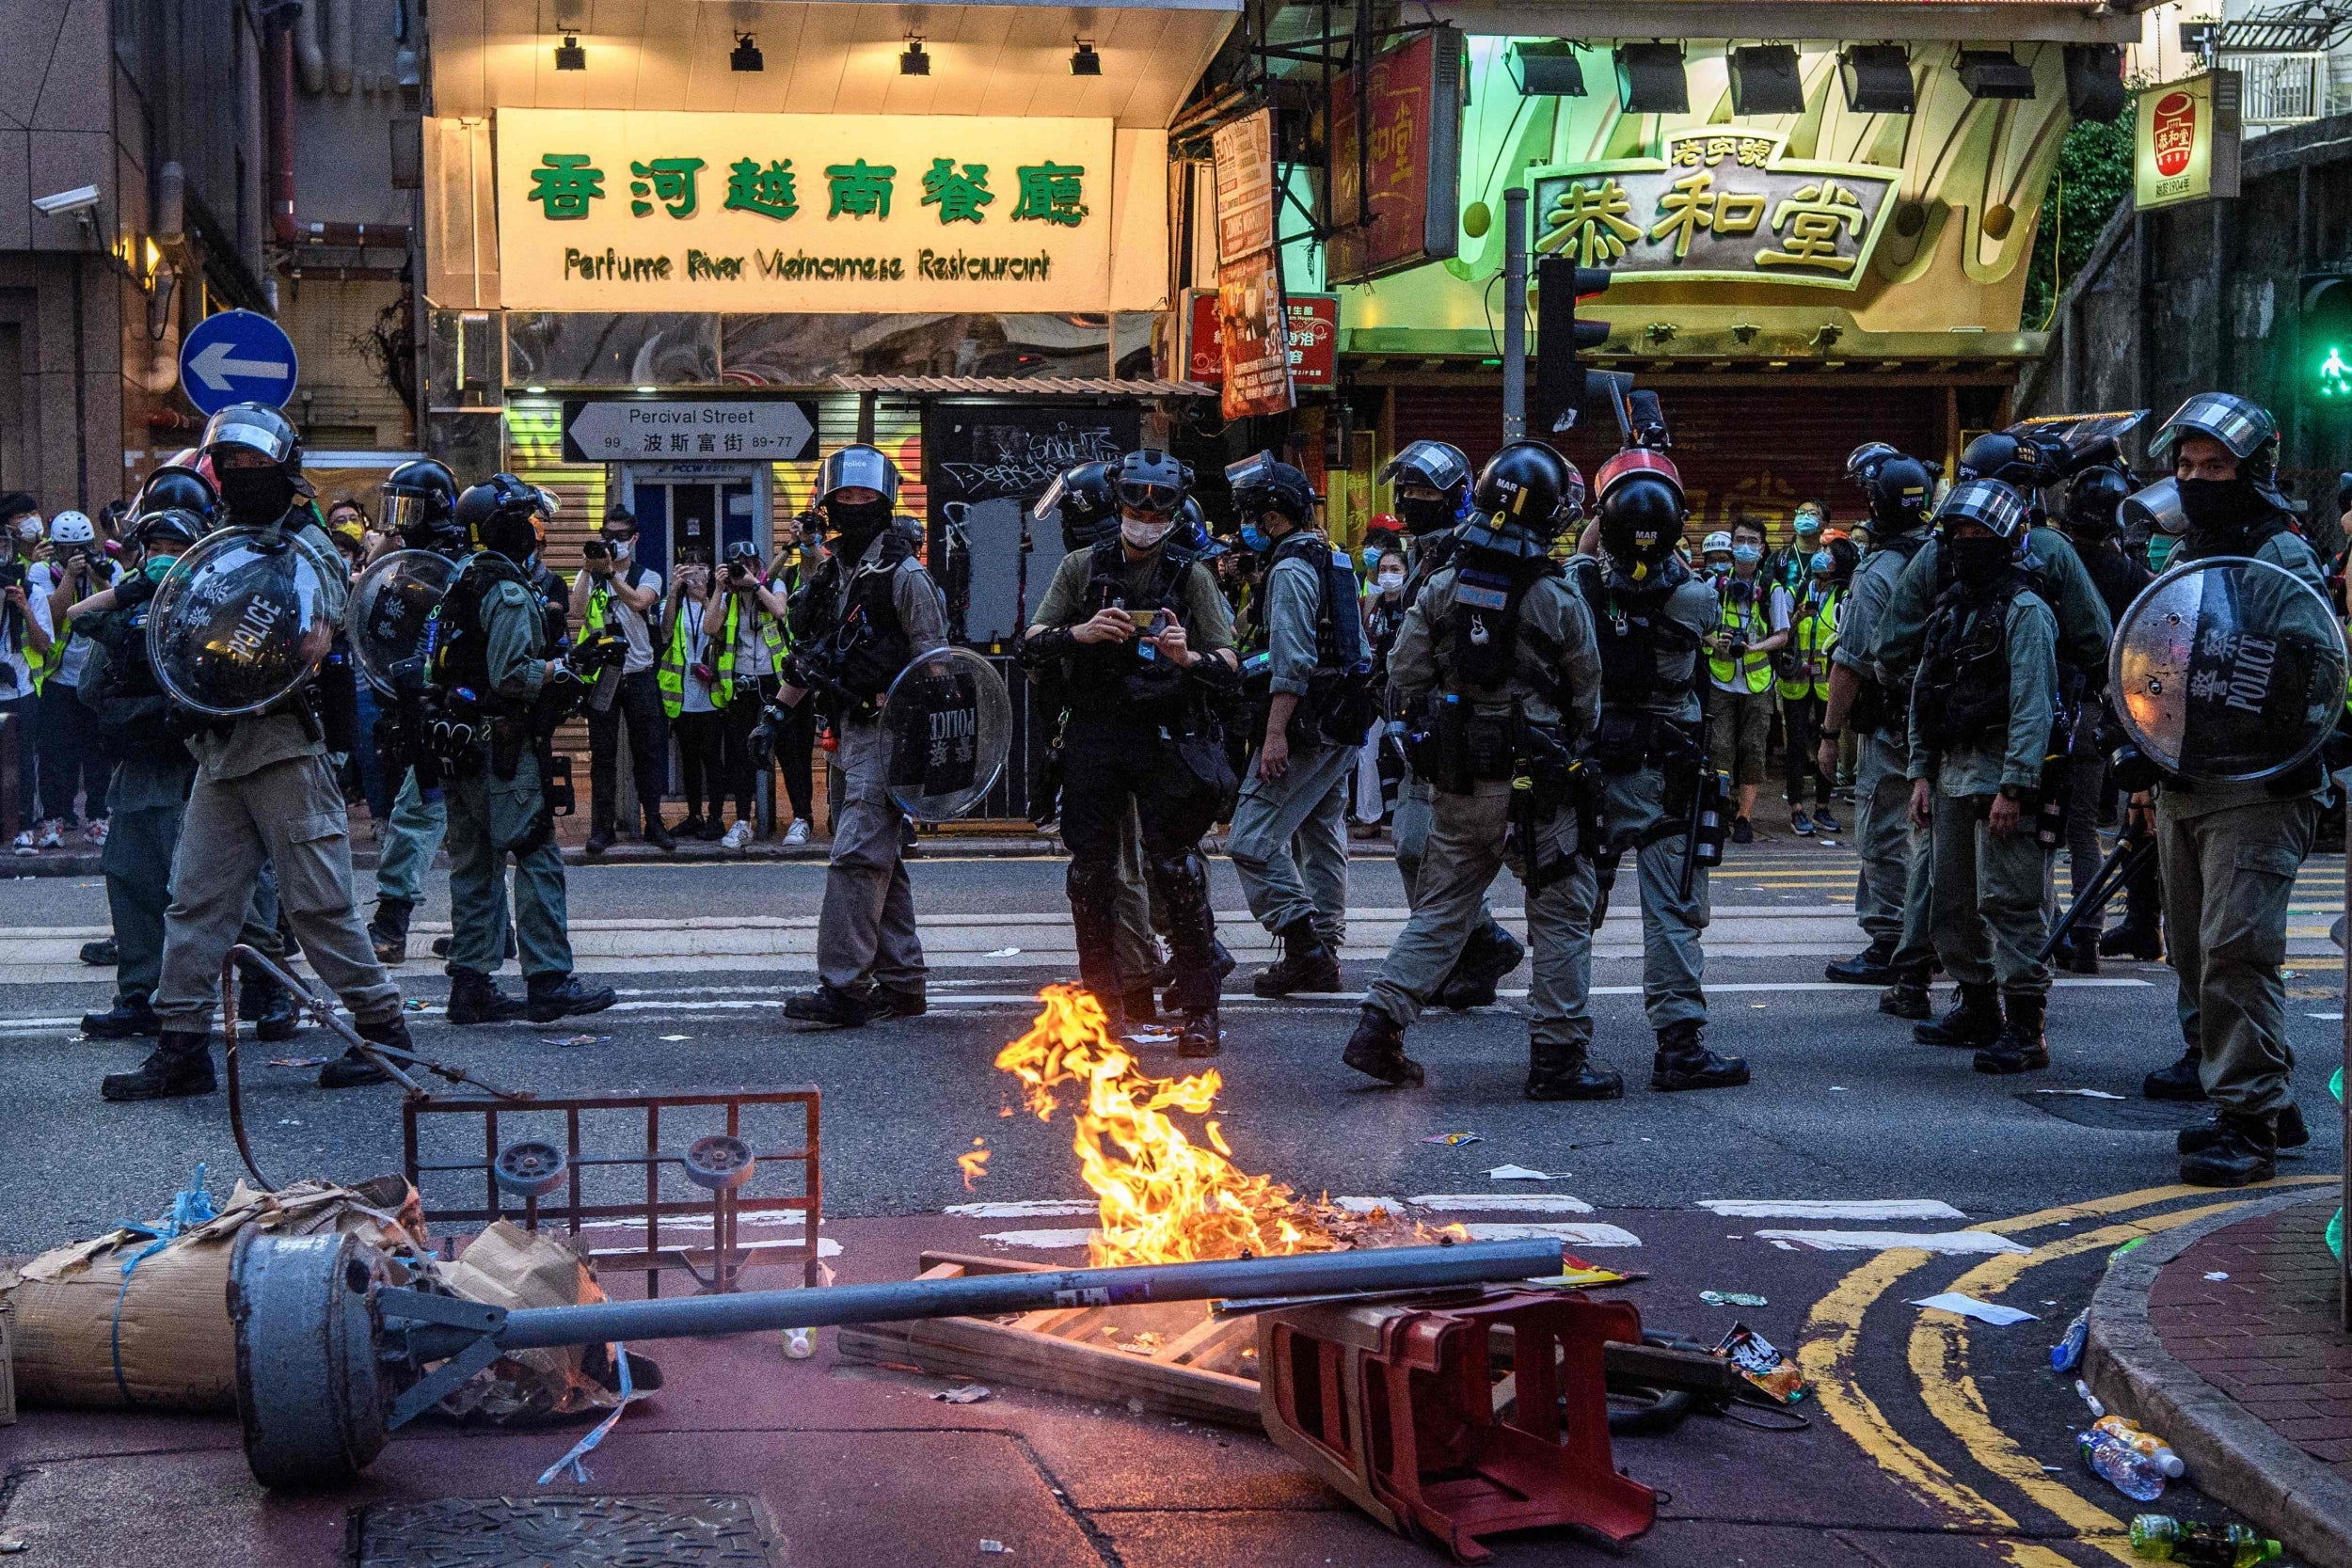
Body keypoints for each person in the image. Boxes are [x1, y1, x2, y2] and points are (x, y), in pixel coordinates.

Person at [102, 402, 416, 1101]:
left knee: (317, 905)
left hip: (283, 749)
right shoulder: (220, 543)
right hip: (219, 748)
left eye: (255, 466)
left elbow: (318, 639)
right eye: (231, 465)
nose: (242, 476)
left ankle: (385, 1027)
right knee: (195, 902)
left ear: (284, 469)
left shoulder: (307, 547)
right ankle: (182, 1043)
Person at [1347, 441, 1606, 1094]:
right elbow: (1588, 702)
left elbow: (1403, 675)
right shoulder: (1558, 598)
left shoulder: (1438, 586)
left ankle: (1377, 1027)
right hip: (1538, 788)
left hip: (1459, 782)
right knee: (1562, 910)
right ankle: (1558, 1059)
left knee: (1442, 910)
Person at [2131, 394, 2329, 1184]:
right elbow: (2153, 656)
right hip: (2187, 778)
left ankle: (2250, 1126)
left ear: (2251, 473)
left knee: (2236, 952)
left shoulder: (2280, 561)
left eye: (2215, 466)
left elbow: (2317, 668)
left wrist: (2275, 733)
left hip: (2260, 787)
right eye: (2185, 465)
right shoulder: (2186, 558)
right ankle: (2270, 1096)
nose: (2196, 478)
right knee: (2191, 950)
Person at [1022, 449, 1238, 1053]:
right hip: (1097, 735)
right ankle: (1103, 1009)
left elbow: (1229, 661)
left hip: (1166, 737)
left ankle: (1200, 1011)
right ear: (1117, 504)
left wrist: (1186, 657)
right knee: (1090, 875)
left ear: (1173, 510)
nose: (1145, 513)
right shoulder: (1080, 566)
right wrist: (1082, 633)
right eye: (1135, 501)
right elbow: (1032, 640)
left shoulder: (1191, 574)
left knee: (1176, 871)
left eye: (1158, 503)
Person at [75, 506, 294, 1042]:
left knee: (222, 889)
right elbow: (86, 668)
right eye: (154, 548)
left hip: (200, 764)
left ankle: (269, 989)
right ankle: (141, 994)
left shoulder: (220, 607)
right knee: (133, 880)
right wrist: (131, 595)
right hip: (141, 768)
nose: (162, 558)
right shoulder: (128, 613)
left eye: (176, 547)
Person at [1572, 450, 1749, 1091]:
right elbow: (1666, 566)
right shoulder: (1696, 598)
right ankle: (1679, 1046)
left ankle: (1558, 1043)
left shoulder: (1578, 587)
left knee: (1569, 911)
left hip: (1593, 768)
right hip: (1667, 771)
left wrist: (1612, 508)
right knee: (1672, 913)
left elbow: (1594, 551)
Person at [431, 476, 616, 1026]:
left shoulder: (464, 579)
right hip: (502, 749)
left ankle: (471, 986)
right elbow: (511, 675)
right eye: (534, 521)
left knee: (474, 865)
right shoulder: (508, 591)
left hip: (458, 746)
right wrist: (566, 669)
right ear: (508, 527)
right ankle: (549, 981)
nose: (541, 532)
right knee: (535, 856)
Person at [778, 445, 949, 1028]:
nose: (853, 506)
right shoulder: (832, 574)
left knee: (854, 857)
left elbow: (936, 664)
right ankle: (903, 983)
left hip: (889, 736)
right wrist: (777, 715)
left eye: (864, 497)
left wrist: (908, 726)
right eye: (843, 497)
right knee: (882, 860)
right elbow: (811, 655)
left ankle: (844, 987)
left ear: (885, 503)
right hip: (848, 734)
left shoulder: (905, 575)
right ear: (827, 504)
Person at [1904, 479, 2059, 1074]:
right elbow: (1926, 694)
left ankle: (2026, 1028)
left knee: (2011, 902)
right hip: (1951, 776)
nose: (1967, 545)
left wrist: (2015, 787)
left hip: (2000, 778)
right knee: (1952, 903)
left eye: (1979, 535)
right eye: (1959, 534)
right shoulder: (1950, 611)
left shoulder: (2026, 613)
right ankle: (1975, 1004)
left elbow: (2032, 705)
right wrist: (1921, 772)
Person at [1377, 439, 1524, 1009]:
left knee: (1433, 848)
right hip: (1421, 720)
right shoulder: (1421, 557)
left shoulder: (1468, 554)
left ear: (1460, 497)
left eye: (1425, 491)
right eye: (1406, 491)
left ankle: (1463, 950)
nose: (1413, 502)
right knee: (1416, 847)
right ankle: (1480, 944)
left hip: (1463, 723)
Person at [1226, 452, 1371, 999]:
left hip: (1307, 722)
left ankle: (1305, 945)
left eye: (1249, 517)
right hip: (1344, 718)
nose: (1245, 528)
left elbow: (1292, 659)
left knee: (1251, 838)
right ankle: (1327, 944)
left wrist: (1274, 734)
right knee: (1321, 832)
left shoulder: (1289, 569)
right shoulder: (1330, 554)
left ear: (1270, 516)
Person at [1818, 449, 1939, 997]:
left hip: (1893, 724)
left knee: (1884, 829)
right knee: (1935, 836)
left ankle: (1889, 940)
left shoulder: (1878, 572)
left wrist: (1827, 735)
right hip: (1941, 720)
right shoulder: (1945, 554)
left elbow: (1851, 660)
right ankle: (1929, 937)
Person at [2052, 465, 2153, 973]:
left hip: (2050, 706)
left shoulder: (2052, 559)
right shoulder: (2132, 575)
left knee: (2039, 825)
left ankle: (2047, 932)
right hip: (2098, 709)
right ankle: (2086, 938)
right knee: (2082, 828)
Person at [571, 505, 673, 853]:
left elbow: (640, 602)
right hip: (604, 677)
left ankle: (654, 822)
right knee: (602, 756)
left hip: (640, 673)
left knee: (648, 752)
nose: (613, 542)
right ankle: (603, 826)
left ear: (634, 539)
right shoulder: (592, 574)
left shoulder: (648, 575)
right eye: (607, 536)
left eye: (620, 537)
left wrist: (612, 573)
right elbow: (577, 610)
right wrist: (589, 569)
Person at [31, 509, 117, 847]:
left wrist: (99, 579)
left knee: (98, 754)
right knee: (56, 755)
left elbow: (115, 606)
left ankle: (98, 817)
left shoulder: (108, 569)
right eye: (68, 549)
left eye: (81, 548)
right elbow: (53, 614)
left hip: (96, 679)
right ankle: (55, 817)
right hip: (58, 679)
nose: (76, 556)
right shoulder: (41, 572)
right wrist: (67, 576)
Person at [1702, 515, 1789, 844]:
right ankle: (1721, 809)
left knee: (1752, 749)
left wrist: (1754, 647)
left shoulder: (1772, 589)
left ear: (1763, 548)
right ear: (1731, 544)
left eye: (1753, 541)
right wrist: (1715, 641)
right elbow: (1701, 627)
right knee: (1720, 748)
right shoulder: (1714, 586)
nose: (1746, 547)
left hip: (1757, 684)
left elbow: (1782, 635)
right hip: (1721, 681)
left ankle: (1744, 817)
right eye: (1740, 540)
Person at [706, 540, 790, 849]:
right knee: (741, 754)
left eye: (749, 562)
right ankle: (742, 820)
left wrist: (755, 585)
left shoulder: (773, 583)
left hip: (774, 679)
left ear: (758, 563)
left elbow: (780, 610)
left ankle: (799, 816)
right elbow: (709, 627)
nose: (745, 568)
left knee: (786, 749)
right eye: (737, 564)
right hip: (740, 681)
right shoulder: (728, 595)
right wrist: (718, 589)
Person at [657, 534, 726, 840]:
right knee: (689, 760)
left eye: (701, 566)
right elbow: (665, 631)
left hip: (712, 693)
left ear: (710, 571)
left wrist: (706, 597)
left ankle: (716, 817)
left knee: (712, 758)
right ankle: (694, 814)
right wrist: (674, 590)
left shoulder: (721, 600)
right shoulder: (676, 602)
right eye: (689, 566)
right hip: (683, 695)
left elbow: (720, 631)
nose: (695, 572)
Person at [1778, 540, 1848, 836]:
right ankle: (1796, 808)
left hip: (1827, 683)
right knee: (1795, 745)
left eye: (1829, 554)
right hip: (1796, 679)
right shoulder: (1800, 589)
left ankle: (1822, 807)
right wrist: (1796, 619)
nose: (1822, 557)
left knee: (1825, 743)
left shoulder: (1845, 595)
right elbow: (1782, 629)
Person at [0, 492, 55, 852]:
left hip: (19, 689)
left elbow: (43, 644)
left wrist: (21, 605)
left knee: (22, 764)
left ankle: (23, 827)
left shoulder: (30, 587)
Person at [1353, 544, 1409, 834]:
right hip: (1373, 687)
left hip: (1405, 688)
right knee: (1367, 752)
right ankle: (1368, 816)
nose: (1388, 575)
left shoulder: (1413, 604)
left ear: (1406, 573)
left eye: (1395, 570)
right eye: (1383, 570)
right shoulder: (1369, 604)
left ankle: (1410, 816)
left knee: (1409, 752)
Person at [767, 519, 817, 846]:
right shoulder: (789, 575)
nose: (807, 535)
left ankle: (839, 814)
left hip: (829, 672)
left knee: (835, 747)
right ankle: (803, 815)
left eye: (812, 529)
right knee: (791, 747)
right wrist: (790, 545)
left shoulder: (831, 569)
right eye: (803, 528)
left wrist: (815, 542)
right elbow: (765, 581)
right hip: (794, 672)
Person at [1766, 500, 1827, 598]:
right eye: (1801, 513)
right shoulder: (1778, 557)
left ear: (1824, 525)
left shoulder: (1828, 559)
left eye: (1812, 513)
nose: (1805, 517)